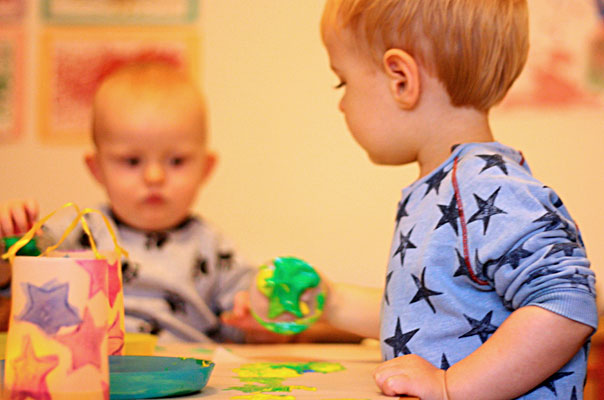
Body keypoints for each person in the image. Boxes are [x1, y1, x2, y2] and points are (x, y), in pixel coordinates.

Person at [313, 0, 597, 399]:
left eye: (342, 82)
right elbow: (430, 311)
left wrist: (450, 387)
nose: (342, 103)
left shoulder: (484, 185)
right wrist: (330, 302)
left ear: (401, 79)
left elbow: (567, 303)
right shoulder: (450, 185)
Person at [0, 61, 258, 343]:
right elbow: (18, 284)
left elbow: (249, 326)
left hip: (184, 377)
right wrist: (11, 238)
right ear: (97, 169)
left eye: (177, 161)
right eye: (132, 161)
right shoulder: (77, 233)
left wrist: (261, 313)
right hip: (90, 372)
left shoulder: (214, 248)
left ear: (205, 169)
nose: (154, 176)